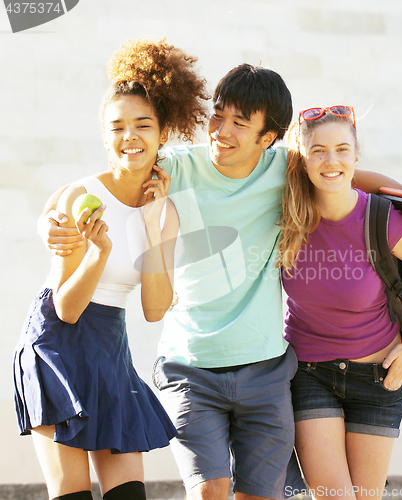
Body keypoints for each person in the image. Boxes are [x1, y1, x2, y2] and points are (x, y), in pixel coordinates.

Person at [38, 63, 402, 500]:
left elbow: (340, 172)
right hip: (190, 365)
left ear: (268, 138)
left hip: (265, 370)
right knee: (209, 490)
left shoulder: (283, 170)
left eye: (239, 123)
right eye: (218, 115)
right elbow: (114, 175)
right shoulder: (175, 168)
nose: (220, 131)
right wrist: (51, 218)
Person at [13, 38, 209, 500]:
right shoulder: (80, 198)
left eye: (143, 125)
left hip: (110, 348)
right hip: (56, 345)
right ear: (105, 138)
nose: (130, 137)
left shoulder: (166, 213)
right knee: (74, 495)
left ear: (163, 134)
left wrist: (154, 227)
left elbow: (156, 309)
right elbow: (65, 308)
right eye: (117, 127)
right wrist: (98, 252)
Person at [278, 106, 402, 500]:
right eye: (317, 151)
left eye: (341, 149)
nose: (331, 160)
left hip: (378, 378)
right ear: (301, 159)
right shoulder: (286, 214)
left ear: (356, 155)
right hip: (309, 375)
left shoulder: (381, 220)